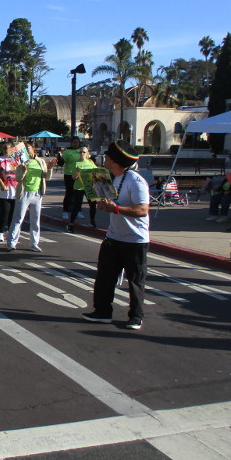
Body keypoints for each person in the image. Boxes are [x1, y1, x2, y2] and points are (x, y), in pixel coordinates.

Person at [82, 140, 149, 330]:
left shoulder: (136, 181)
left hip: (135, 240)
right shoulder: (110, 178)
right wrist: (104, 205)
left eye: (108, 157)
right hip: (114, 237)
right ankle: (102, 312)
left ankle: (136, 316)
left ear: (114, 160)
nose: (105, 159)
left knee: (135, 280)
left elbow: (142, 209)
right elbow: (110, 203)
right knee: (105, 276)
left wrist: (117, 209)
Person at [7, 143, 48, 252]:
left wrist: (50, 168)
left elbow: (46, 176)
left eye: (28, 147)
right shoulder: (22, 162)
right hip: (24, 193)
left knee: (35, 220)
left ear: (33, 149)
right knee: (18, 218)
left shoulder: (40, 161)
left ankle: (34, 243)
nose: (26, 149)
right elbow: (18, 178)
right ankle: (11, 242)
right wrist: (23, 170)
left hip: (37, 193)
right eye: (24, 148)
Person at [0, 142, 18, 243]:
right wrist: (2, 185)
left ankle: (11, 233)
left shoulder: (16, 160)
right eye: (4, 148)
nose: (6, 150)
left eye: (9, 148)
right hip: (3, 191)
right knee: (4, 212)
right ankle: (0, 233)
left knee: (13, 213)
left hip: (15, 190)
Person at [67, 147, 99, 231]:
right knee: (77, 206)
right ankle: (71, 223)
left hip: (89, 186)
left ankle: (92, 221)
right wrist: (77, 173)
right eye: (80, 152)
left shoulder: (90, 162)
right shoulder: (76, 163)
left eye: (84, 152)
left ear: (87, 153)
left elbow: (96, 172)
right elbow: (73, 177)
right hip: (79, 187)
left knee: (93, 205)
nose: (82, 153)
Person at [57, 136, 82, 220]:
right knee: (69, 193)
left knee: (78, 194)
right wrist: (59, 158)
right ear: (71, 143)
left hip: (80, 175)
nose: (75, 144)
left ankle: (78, 210)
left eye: (77, 142)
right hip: (69, 175)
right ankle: (65, 211)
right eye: (74, 142)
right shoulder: (67, 152)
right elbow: (61, 163)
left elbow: (88, 160)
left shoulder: (81, 151)